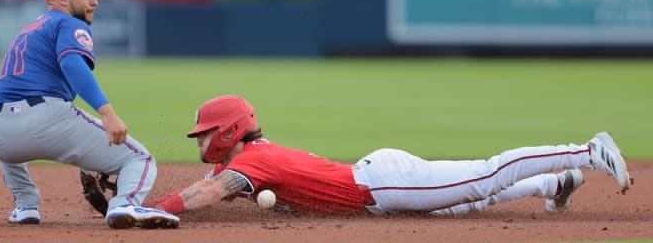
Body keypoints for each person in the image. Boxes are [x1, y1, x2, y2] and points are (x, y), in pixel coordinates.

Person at [146, 95, 632, 217]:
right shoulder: (246, 156)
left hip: (382, 184)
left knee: (484, 177)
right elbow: (213, 181)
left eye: (206, 133)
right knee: (470, 203)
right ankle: (556, 182)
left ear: (229, 130)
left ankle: (589, 150)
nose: (200, 141)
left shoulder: (250, 163)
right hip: (380, 184)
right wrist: (118, 201)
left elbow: (208, 190)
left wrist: (152, 210)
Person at [0, 0, 179, 229]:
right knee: (139, 159)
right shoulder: (69, 23)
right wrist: (106, 112)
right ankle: (125, 204)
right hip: (45, 120)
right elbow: (72, 64)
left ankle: (26, 204)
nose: (94, 1)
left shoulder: (29, 29)